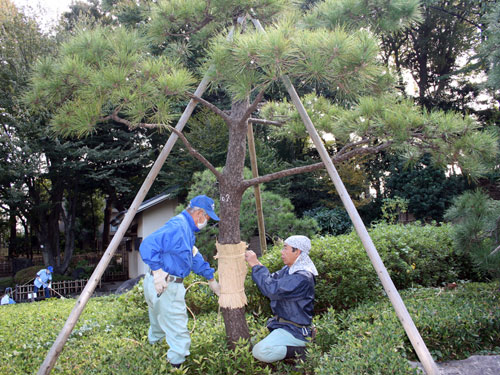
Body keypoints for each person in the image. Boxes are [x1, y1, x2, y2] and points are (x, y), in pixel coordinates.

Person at [139, 195, 221, 368]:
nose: (206, 222)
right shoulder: (178, 227)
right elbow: (147, 245)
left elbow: (193, 257)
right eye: (207, 217)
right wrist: (158, 271)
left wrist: (211, 278)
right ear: (199, 213)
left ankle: (153, 359)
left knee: (158, 325)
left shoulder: (185, 230)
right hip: (167, 284)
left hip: (155, 283)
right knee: (178, 331)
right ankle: (176, 365)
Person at [245, 235, 318, 363]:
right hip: (281, 325)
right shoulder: (289, 270)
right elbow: (271, 280)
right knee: (247, 344)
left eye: (285, 248)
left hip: (295, 330)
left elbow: (272, 289)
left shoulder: (302, 277)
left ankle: (301, 351)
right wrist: (257, 265)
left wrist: (255, 265)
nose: (282, 252)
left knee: (260, 351)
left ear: (297, 251)